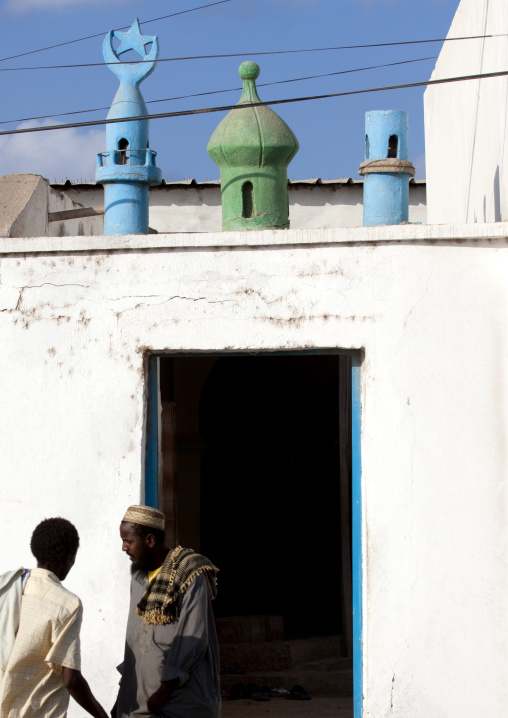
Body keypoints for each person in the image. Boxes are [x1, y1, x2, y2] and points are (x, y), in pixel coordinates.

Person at [113, 505, 221, 718]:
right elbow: (135, 641)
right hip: (140, 704)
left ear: (150, 541)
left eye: (128, 541)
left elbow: (193, 639)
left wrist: (164, 691)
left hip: (177, 704)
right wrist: (122, 696)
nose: (124, 548)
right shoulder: (138, 578)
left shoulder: (189, 576)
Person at [0, 517, 109, 718]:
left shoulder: (8, 587)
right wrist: (102, 715)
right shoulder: (67, 604)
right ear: (68, 557)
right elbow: (70, 679)